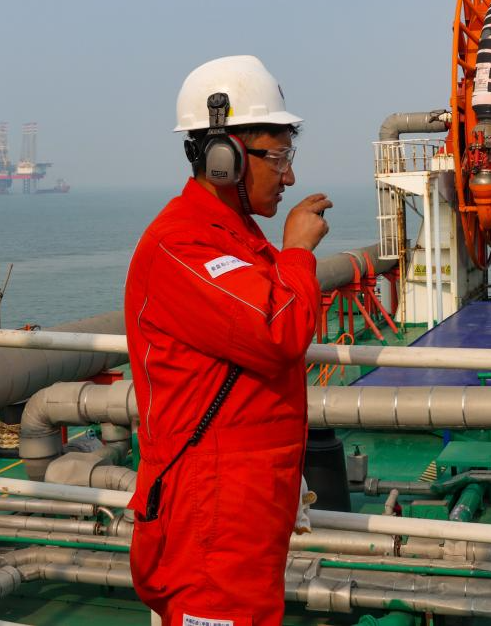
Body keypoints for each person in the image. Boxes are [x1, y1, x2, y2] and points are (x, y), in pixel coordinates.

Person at [124, 55, 331, 624]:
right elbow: (279, 330)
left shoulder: (234, 240)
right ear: (225, 158)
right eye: (278, 158)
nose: (288, 177)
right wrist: (297, 252)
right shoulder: (181, 246)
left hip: (242, 507)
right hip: (211, 516)